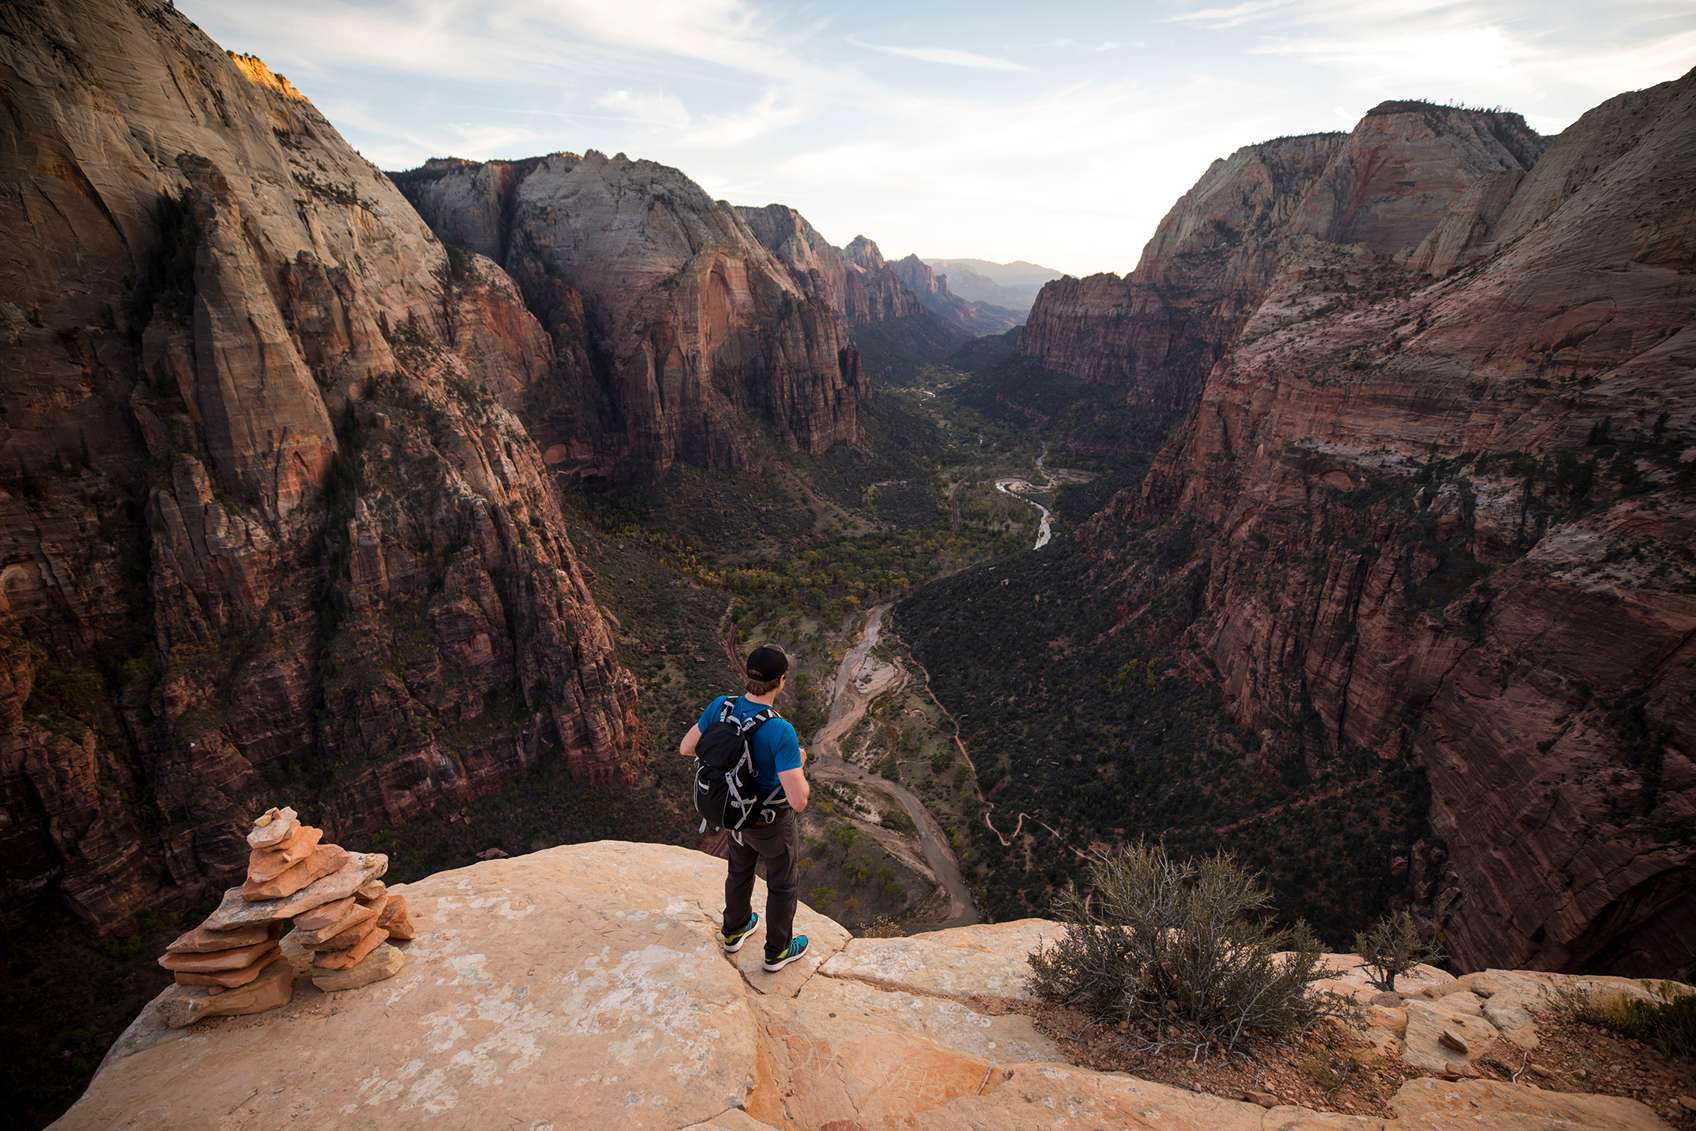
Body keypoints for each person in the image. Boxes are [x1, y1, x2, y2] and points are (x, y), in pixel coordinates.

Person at [679, 643, 812, 971]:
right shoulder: (780, 730)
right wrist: (800, 764)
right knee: (782, 882)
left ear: (747, 675)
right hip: (769, 822)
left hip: (734, 813)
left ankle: (735, 929)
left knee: (739, 870)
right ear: (781, 681)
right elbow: (799, 800)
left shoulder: (721, 707)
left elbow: (686, 748)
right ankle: (777, 951)